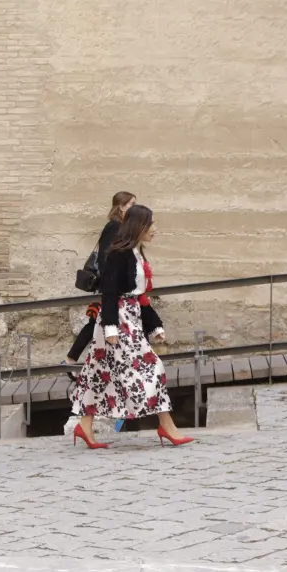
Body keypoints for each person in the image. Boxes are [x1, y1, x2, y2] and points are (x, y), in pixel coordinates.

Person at [70, 205, 194, 449]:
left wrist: (154, 325)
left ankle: (84, 425)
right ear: (138, 226)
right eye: (151, 225)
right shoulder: (118, 253)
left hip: (132, 317)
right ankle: (167, 426)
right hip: (117, 320)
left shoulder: (137, 253)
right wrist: (111, 328)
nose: (155, 229)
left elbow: (140, 295)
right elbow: (109, 291)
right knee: (153, 367)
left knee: (98, 374)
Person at [63, 191, 136, 367]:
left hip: (111, 285)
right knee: (95, 323)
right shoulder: (113, 227)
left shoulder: (121, 227)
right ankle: (71, 360)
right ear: (121, 207)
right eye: (132, 204)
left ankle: (77, 361)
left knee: (97, 324)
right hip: (107, 286)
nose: (135, 207)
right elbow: (105, 257)